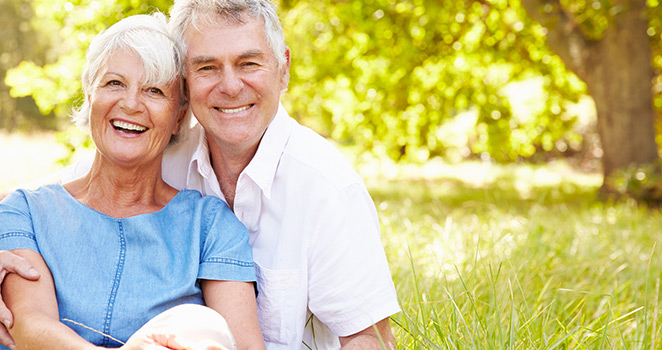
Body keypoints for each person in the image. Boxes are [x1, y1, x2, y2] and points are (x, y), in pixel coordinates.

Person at [0, 0, 400, 348]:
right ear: (188, 88)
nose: (230, 86)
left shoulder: (324, 188)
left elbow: (371, 338)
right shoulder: (153, 151)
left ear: (282, 69)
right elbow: (48, 203)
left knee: (199, 327)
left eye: (249, 63)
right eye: (207, 67)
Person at [0, 13, 264, 350]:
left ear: (178, 115)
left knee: (202, 326)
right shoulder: (23, 212)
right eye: (114, 83)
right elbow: (29, 325)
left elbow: (244, 345)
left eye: (154, 90)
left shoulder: (210, 226)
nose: (130, 103)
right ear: (90, 95)